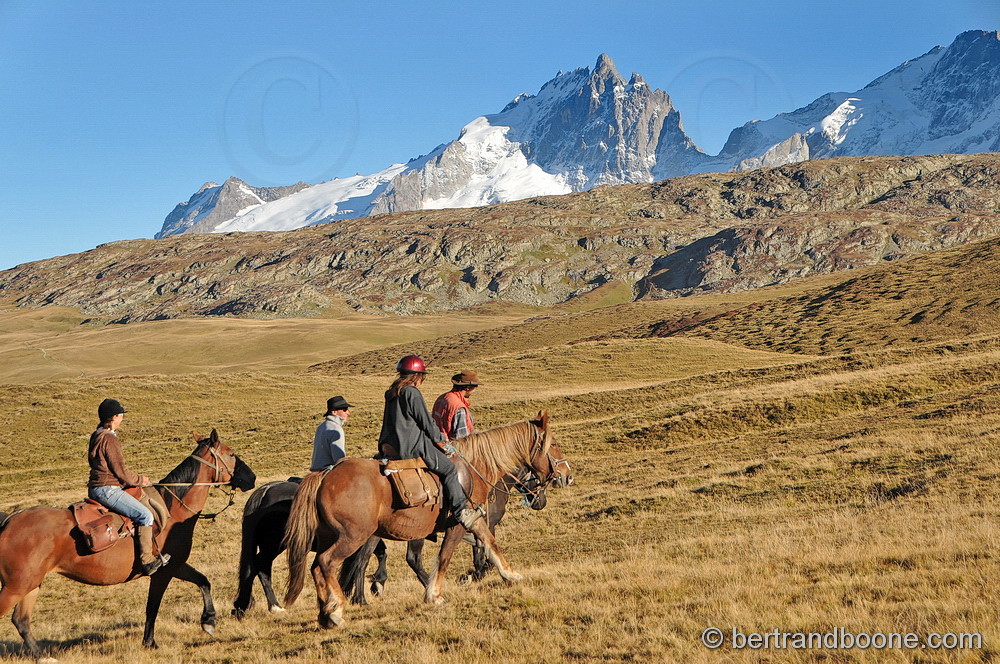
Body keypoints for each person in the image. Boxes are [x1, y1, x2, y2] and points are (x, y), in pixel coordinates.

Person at [378, 355, 481, 529]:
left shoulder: (392, 392)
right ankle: (462, 511)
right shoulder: (412, 392)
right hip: (411, 446)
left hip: (389, 445)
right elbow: (425, 422)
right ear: (417, 376)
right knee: (449, 469)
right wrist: (441, 441)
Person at [87, 398, 169, 576]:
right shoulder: (110, 439)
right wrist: (140, 480)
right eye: (120, 415)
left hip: (96, 487)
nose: (122, 418)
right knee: (145, 515)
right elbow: (121, 471)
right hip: (107, 489)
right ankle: (147, 560)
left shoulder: (97, 434)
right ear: (114, 417)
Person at [432, 370, 479, 440]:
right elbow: (463, 440)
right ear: (467, 388)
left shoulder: (441, 398)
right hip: (449, 448)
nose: (475, 391)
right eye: (475, 387)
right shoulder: (459, 408)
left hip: (437, 444)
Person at [310, 395, 352, 472]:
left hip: (315, 473)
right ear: (334, 412)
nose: (348, 413)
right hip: (327, 473)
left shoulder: (321, 427)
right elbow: (339, 459)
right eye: (344, 409)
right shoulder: (336, 429)